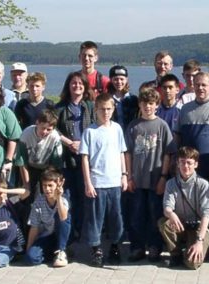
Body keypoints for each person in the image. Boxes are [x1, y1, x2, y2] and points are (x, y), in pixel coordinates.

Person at [174, 71, 209, 255]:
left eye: (204, 85)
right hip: (188, 169)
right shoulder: (185, 109)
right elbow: (178, 137)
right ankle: (192, 239)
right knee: (191, 204)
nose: (200, 88)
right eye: (197, 84)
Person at [125, 88, 176, 263]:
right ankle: (137, 247)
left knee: (155, 215)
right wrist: (129, 176)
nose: (148, 107)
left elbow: (168, 153)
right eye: (145, 103)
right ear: (140, 104)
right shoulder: (134, 126)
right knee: (136, 215)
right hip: (137, 180)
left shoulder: (162, 125)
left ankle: (155, 247)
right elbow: (128, 153)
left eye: (151, 104)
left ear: (157, 105)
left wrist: (163, 177)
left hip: (156, 180)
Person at [79, 93, 127, 267]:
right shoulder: (90, 131)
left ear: (113, 109)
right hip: (97, 182)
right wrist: (88, 182)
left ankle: (115, 246)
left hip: (114, 181)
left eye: (109, 109)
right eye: (102, 109)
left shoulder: (117, 129)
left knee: (116, 217)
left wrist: (124, 175)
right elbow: (84, 158)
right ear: (96, 110)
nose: (105, 112)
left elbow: (122, 152)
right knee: (95, 218)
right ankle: (96, 249)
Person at [159, 146, 209, 269]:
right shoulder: (171, 184)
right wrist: (171, 214)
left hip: (200, 228)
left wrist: (199, 241)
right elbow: (167, 207)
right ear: (177, 164)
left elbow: (207, 215)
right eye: (182, 162)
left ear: (196, 164)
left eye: (189, 163)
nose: (186, 166)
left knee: (192, 264)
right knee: (163, 223)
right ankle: (176, 254)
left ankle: (200, 248)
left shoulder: (203, 185)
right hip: (182, 225)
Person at [55, 71, 94, 242]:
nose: (77, 86)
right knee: (68, 197)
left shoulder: (90, 106)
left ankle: (81, 231)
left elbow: (97, 127)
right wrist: (68, 142)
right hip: (66, 159)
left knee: (84, 197)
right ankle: (68, 233)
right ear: (68, 85)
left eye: (80, 83)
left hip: (87, 159)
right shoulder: (60, 107)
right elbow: (52, 128)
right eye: (73, 83)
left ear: (85, 86)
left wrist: (83, 144)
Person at [15, 109, 63, 205]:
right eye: (42, 128)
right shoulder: (26, 134)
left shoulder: (55, 138)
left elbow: (55, 164)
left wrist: (49, 182)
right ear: (37, 123)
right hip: (29, 167)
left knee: (47, 196)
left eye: (49, 129)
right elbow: (22, 161)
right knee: (27, 196)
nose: (44, 132)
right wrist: (26, 185)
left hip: (47, 168)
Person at [25, 168, 70, 267]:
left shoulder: (63, 199)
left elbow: (63, 217)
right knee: (31, 258)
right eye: (44, 185)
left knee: (62, 215)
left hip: (63, 235)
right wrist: (28, 249)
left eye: (50, 185)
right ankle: (53, 254)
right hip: (48, 236)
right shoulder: (39, 201)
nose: (47, 189)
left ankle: (62, 251)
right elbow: (34, 227)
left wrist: (58, 197)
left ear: (57, 185)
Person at [0, 176, 28, 268]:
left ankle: (8, 257)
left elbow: (26, 192)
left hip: (10, 246)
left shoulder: (10, 203)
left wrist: (6, 191)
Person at [107, 65, 138, 131]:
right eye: (115, 79)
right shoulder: (107, 99)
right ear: (111, 80)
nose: (119, 82)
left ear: (126, 80)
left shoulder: (134, 100)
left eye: (122, 79)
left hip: (130, 136)